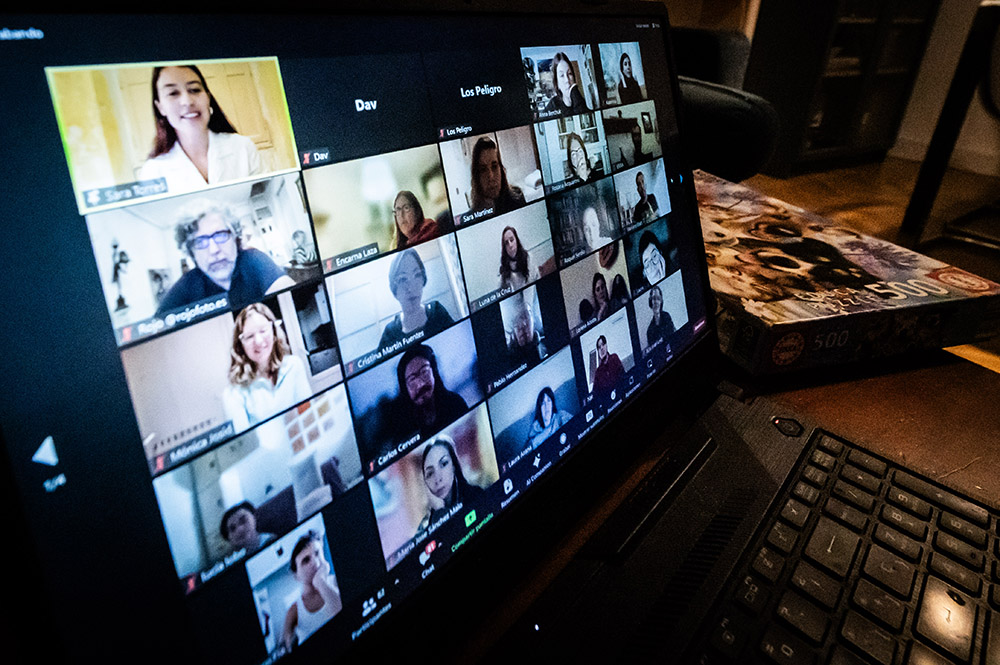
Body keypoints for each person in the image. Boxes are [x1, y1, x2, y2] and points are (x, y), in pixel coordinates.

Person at [155, 202, 295, 316]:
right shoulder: (186, 287)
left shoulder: (253, 260)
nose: (214, 250)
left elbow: (291, 296)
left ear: (235, 237)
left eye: (220, 235)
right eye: (200, 242)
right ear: (191, 252)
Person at [139, 65, 261, 194]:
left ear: (208, 97)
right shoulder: (153, 172)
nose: (187, 101)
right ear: (160, 107)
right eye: (173, 93)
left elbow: (266, 199)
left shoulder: (243, 147)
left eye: (195, 89)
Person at [222, 303, 312, 431]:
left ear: (274, 331)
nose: (258, 341)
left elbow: (309, 419)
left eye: (263, 330)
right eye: (249, 336)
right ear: (240, 346)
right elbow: (245, 441)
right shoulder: (233, 393)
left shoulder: (294, 365)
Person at [378, 249, 455, 350]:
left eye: (417, 275)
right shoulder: (390, 333)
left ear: (423, 279)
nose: (411, 288)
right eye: (402, 279)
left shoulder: (436, 311)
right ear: (394, 288)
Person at [392, 344, 468, 441]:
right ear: (405, 388)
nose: (420, 385)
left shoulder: (455, 403)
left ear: (434, 373)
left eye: (424, 372)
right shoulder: (402, 430)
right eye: (412, 379)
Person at [281, 531, 342, 652]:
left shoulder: (338, 581)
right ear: (296, 576)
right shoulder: (294, 610)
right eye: (306, 560)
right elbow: (282, 648)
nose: (315, 562)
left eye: (317, 553)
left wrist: (320, 582)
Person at [415, 436, 485, 537]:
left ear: (454, 465)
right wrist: (439, 511)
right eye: (430, 473)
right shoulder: (424, 526)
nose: (437, 479)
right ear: (425, 482)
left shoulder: (475, 495)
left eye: (444, 464)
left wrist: (441, 512)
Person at [469, 137, 525, 215]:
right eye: (483, 170)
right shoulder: (472, 216)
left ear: (501, 169)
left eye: (494, 166)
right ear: (477, 176)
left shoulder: (517, 196)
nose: (491, 176)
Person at [506, 297, 545, 368]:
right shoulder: (508, 361)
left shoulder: (549, 342)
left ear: (533, 319)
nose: (522, 324)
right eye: (516, 320)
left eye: (526, 316)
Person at [498, 226, 538, 291]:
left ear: (517, 240)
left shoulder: (529, 258)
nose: (510, 245)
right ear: (504, 248)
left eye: (512, 240)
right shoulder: (504, 271)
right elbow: (501, 291)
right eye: (506, 243)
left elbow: (537, 278)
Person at [592, 334, 624, 399]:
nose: (601, 348)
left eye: (603, 344)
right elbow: (595, 395)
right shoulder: (598, 372)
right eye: (599, 347)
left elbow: (623, 377)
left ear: (606, 345)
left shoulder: (614, 358)